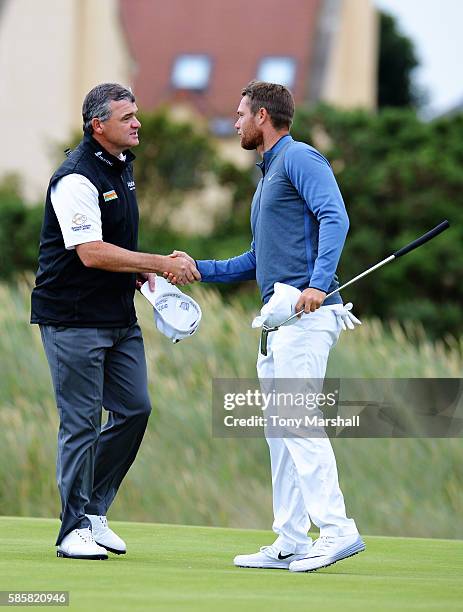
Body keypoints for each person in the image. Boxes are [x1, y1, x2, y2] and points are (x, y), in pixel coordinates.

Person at [169, 80, 365, 572]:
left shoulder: (300, 159)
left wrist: (319, 284)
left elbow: (334, 217)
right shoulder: (267, 175)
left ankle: (337, 530)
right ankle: (292, 538)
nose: (234, 123)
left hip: (308, 316)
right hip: (277, 322)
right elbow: (258, 259)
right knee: (280, 433)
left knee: (298, 423)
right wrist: (199, 268)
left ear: (262, 116)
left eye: (239, 114)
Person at [31, 83, 200, 560]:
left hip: (117, 316)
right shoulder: (75, 178)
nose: (137, 122)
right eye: (127, 117)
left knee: (134, 409)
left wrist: (145, 274)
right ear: (97, 125)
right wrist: (163, 261)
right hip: (71, 318)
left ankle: (94, 512)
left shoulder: (123, 169)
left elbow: (116, 245)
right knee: (81, 421)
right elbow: (91, 252)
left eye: (137, 114)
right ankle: (71, 530)